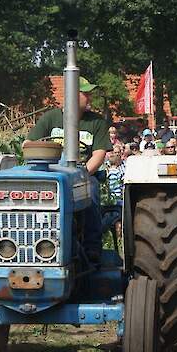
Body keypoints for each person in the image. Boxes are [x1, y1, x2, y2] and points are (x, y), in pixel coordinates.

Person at [27, 77, 110, 260]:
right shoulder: (51, 118)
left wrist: (82, 174)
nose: (89, 98)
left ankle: (92, 245)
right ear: (71, 95)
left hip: (82, 175)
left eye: (90, 94)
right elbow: (28, 143)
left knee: (92, 191)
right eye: (85, 94)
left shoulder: (96, 122)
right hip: (49, 175)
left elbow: (99, 153)